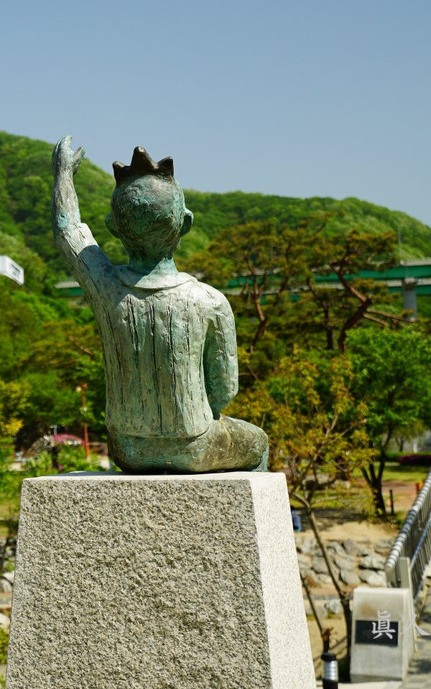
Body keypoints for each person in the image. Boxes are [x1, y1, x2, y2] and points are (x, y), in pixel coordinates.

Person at [51, 137, 268, 473]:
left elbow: (69, 230)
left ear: (113, 227)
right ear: (186, 223)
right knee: (259, 444)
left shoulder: (106, 286)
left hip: (126, 447)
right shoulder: (210, 301)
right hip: (194, 442)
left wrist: (63, 175)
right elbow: (224, 391)